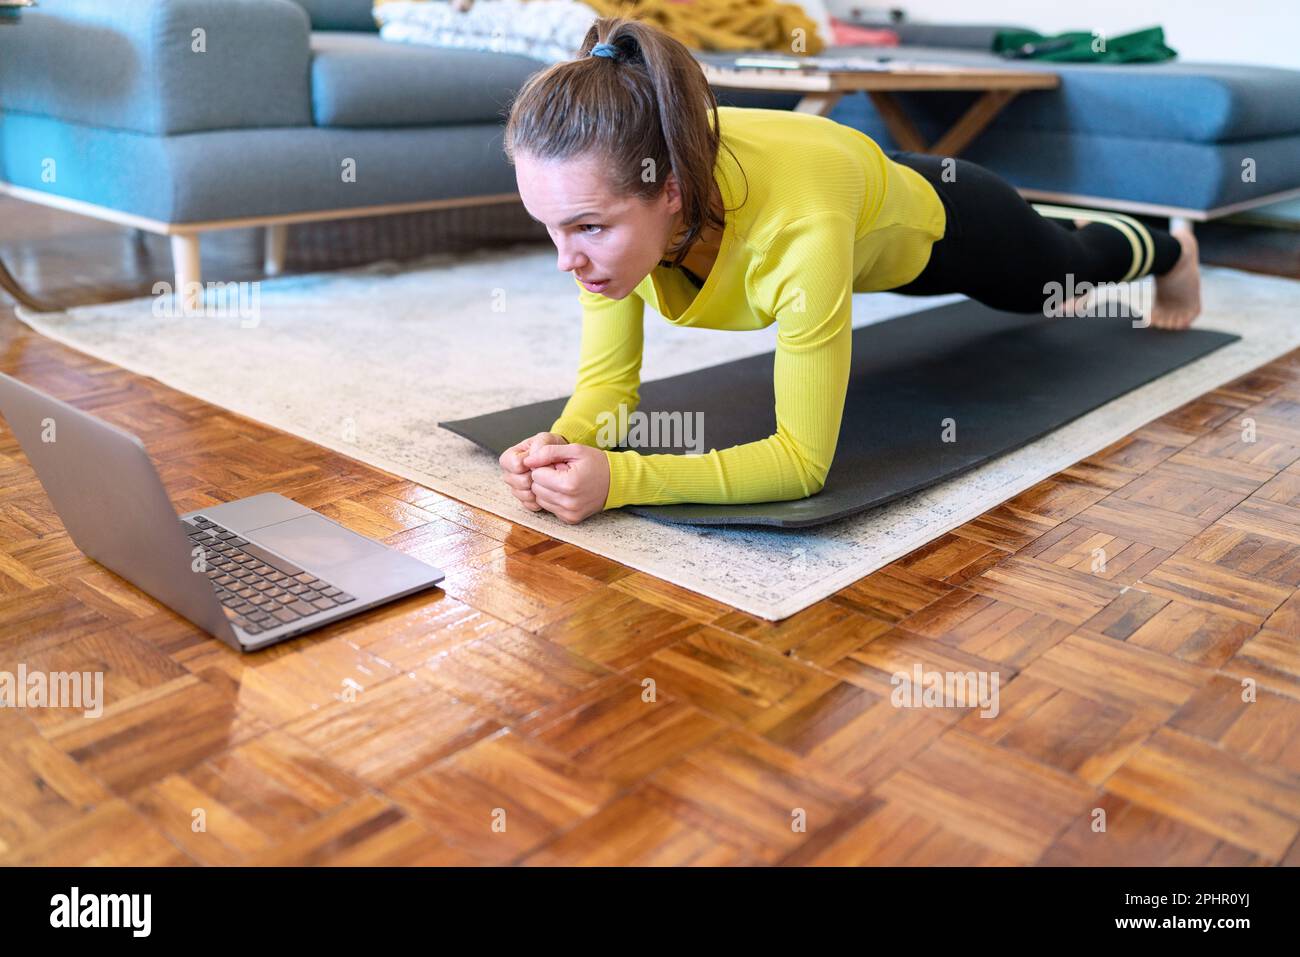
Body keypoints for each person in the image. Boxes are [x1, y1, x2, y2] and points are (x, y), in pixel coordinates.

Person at [498, 16, 1203, 525]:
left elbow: (801, 463)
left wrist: (623, 477)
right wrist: (563, 444)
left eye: (587, 227)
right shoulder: (625, 188)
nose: (567, 259)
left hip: (953, 222)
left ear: (671, 192)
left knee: (1063, 276)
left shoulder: (797, 224)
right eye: (550, 227)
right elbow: (608, 385)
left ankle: (1170, 249)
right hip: (858, 217)